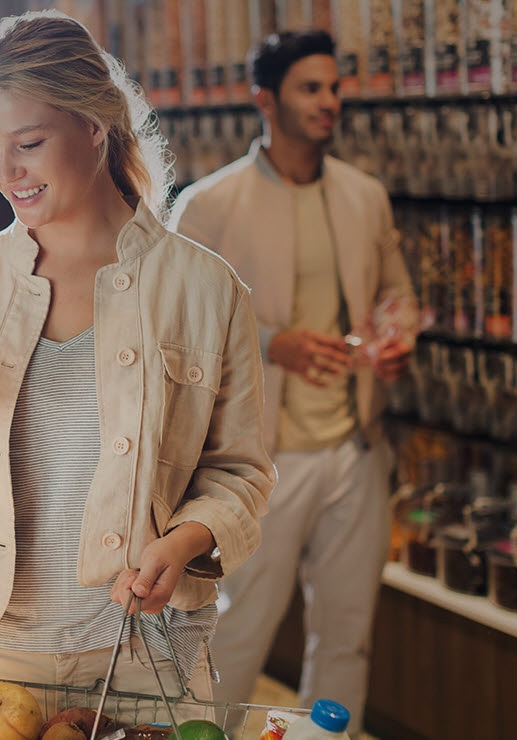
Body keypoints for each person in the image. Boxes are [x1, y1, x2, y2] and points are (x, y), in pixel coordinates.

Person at [0, 10, 274, 711]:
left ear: (94, 124)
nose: (7, 173)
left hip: (147, 654)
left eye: (29, 143)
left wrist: (185, 540)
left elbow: (241, 474)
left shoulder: (205, 288)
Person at [168, 30, 418, 732]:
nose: (329, 102)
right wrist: (275, 344)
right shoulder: (209, 206)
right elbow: (173, 328)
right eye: (311, 88)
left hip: (355, 449)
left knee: (347, 637)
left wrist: (398, 339)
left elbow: (397, 294)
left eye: (334, 88)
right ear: (265, 101)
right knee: (238, 630)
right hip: (259, 463)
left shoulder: (364, 196)